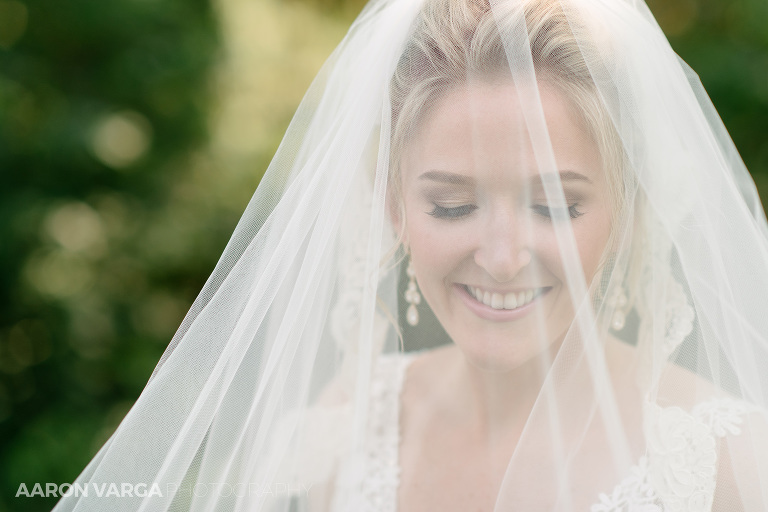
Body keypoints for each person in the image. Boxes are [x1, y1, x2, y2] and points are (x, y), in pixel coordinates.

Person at [54, 0, 768, 510]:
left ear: (630, 213)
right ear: (393, 206)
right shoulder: (348, 427)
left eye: (554, 206)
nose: (501, 257)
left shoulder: (731, 462)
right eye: (452, 205)